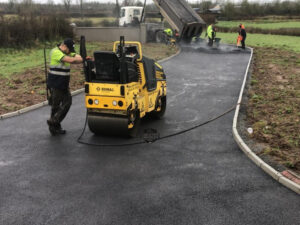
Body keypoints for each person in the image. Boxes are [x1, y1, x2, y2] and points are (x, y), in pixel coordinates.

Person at [46, 38, 83, 135]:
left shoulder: (67, 52)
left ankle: (54, 120)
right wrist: (76, 59)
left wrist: (78, 58)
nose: (70, 52)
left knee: (68, 102)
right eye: (69, 49)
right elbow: (70, 60)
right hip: (55, 84)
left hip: (63, 84)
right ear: (64, 46)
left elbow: (79, 57)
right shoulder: (55, 52)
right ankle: (54, 127)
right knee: (56, 106)